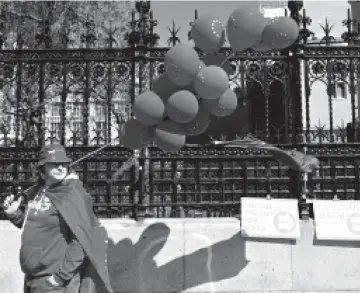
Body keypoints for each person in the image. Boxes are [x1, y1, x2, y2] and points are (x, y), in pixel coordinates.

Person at [3, 144, 113, 293]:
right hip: (32, 278)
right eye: (54, 164)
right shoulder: (38, 191)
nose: (61, 167)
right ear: (42, 169)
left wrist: (59, 278)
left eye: (64, 164)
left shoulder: (72, 195)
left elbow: (82, 239)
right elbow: (36, 226)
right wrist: (13, 214)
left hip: (54, 284)